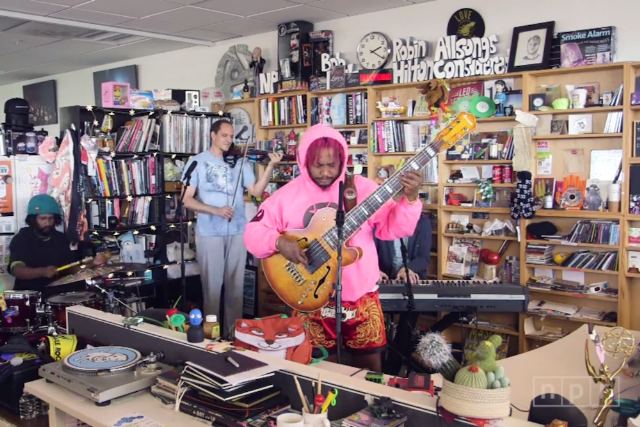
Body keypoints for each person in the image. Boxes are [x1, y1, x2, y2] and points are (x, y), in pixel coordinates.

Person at [244, 124, 422, 371]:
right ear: (304, 161)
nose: (326, 172)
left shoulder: (362, 189)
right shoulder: (286, 196)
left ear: (342, 161)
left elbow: (394, 229)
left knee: (370, 369)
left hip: (361, 296)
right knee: (316, 368)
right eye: (319, 165)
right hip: (308, 297)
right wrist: (279, 242)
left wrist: (410, 199)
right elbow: (252, 233)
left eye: (332, 165)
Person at [182, 119, 282, 331]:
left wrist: (270, 167)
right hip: (209, 232)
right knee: (212, 288)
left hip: (237, 230)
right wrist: (215, 210)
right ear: (213, 135)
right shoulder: (197, 162)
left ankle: (233, 334)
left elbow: (255, 191)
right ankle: (211, 334)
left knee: (236, 288)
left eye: (231, 136)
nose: (229, 140)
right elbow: (186, 199)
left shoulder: (239, 161)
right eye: (224, 135)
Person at [9, 194, 107, 296]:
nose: (47, 223)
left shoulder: (63, 239)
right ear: (33, 219)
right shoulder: (21, 239)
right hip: (32, 298)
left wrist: (94, 262)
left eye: (51, 219)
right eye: (42, 218)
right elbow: (17, 270)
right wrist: (42, 271)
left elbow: (73, 267)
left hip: (59, 297)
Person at [375, 213, 432, 284]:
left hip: (412, 277)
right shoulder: (378, 220)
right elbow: (368, 252)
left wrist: (407, 269)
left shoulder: (423, 222)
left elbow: (423, 258)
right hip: (383, 278)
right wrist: (374, 270)